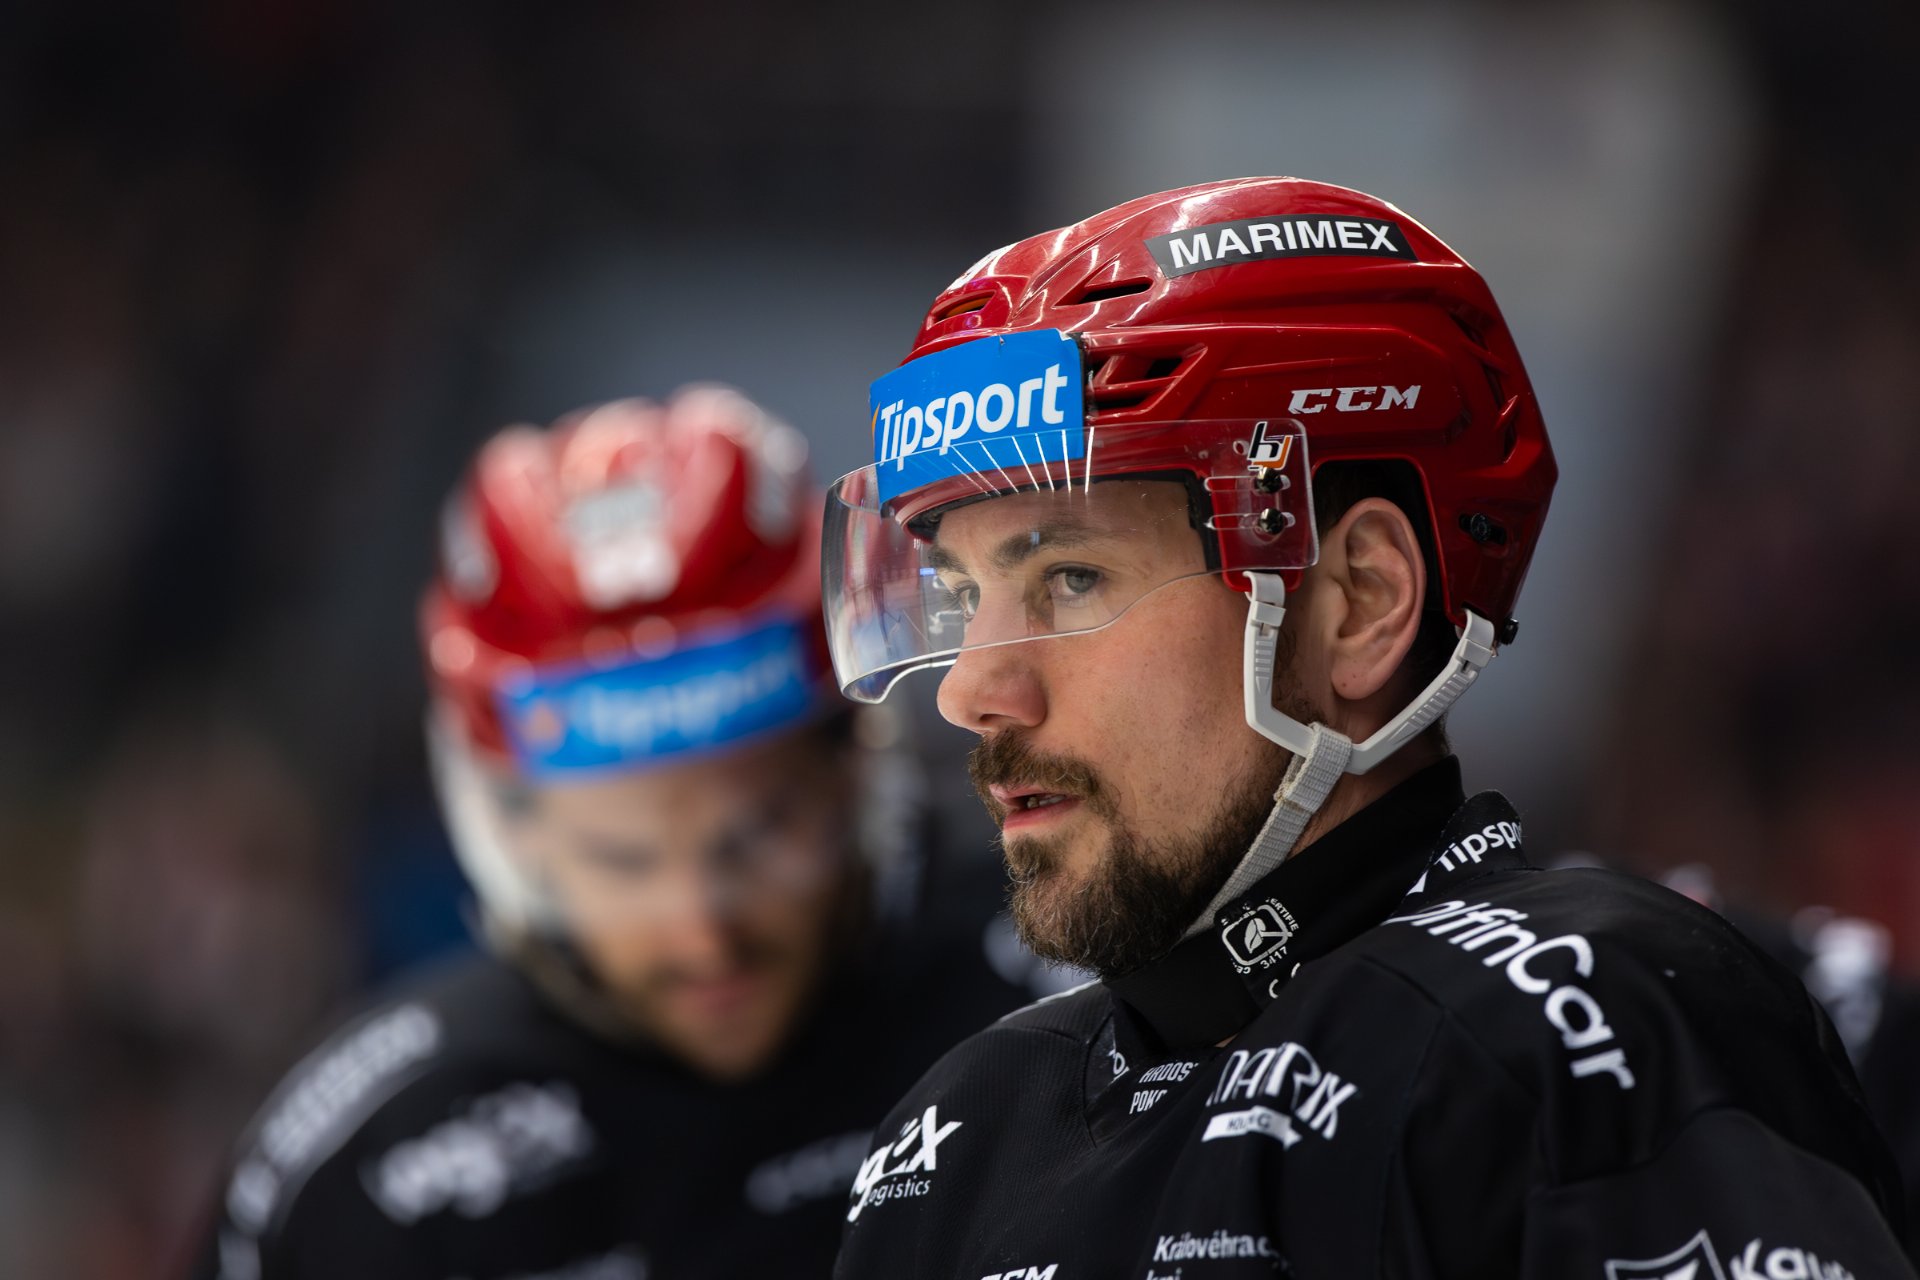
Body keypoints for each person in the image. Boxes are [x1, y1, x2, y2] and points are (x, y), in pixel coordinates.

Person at [822, 179, 1916, 1276]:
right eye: (962, 593)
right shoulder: (957, 1135)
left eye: (1070, 577)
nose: (969, 690)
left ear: (1360, 602)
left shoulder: (1573, 1024)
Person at [187, 389, 1031, 1280]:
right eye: (621, 861)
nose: (703, 933)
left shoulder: (1059, 953)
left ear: (854, 769)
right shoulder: (371, 1174)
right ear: (515, 843)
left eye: (758, 835)